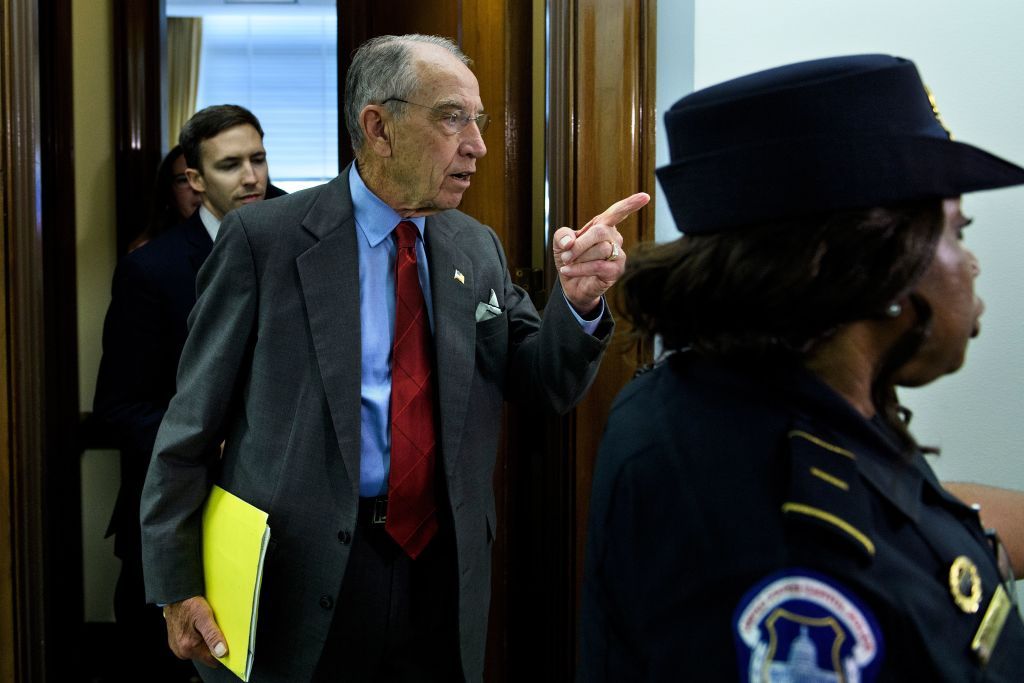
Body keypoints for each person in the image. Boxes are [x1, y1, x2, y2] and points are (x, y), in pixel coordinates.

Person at [140, 34, 648, 682]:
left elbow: (542, 380)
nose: (478, 146)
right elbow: (188, 429)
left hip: (438, 571)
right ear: (378, 127)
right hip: (300, 577)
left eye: (479, 120)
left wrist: (577, 302)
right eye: (452, 118)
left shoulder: (475, 247)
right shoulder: (262, 242)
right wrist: (176, 585)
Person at [580, 54, 1024, 681]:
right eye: (957, 233)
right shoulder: (785, 544)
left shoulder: (736, 392)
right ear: (875, 266)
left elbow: (912, 518)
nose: (971, 265)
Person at [94, 104, 276, 682]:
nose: (251, 177)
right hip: (183, 507)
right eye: (230, 165)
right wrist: (215, 445)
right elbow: (119, 407)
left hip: (280, 511)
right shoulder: (152, 269)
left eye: (258, 158)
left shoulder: (301, 240)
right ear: (194, 179)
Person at [128, 145, 203, 252]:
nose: (196, 188)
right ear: (170, 192)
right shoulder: (149, 251)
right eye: (183, 180)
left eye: (201, 176)